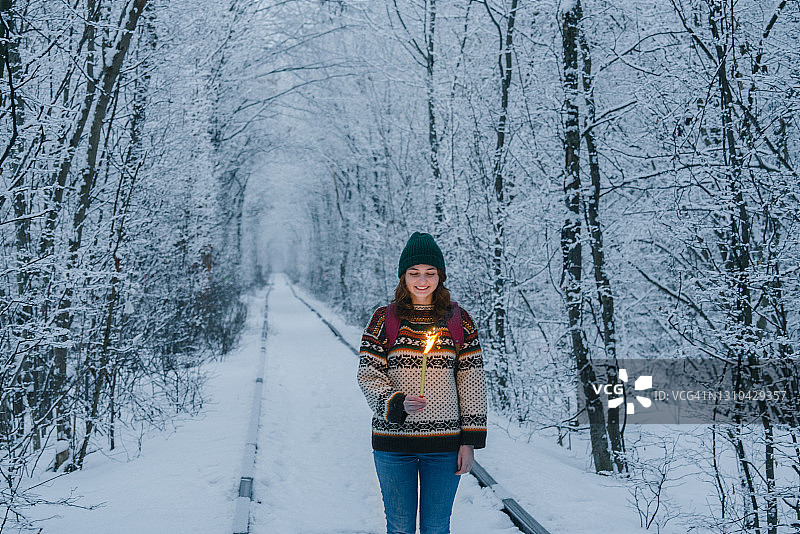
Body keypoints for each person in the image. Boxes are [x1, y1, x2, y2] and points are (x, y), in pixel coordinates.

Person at [357, 231, 487, 534]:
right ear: (403, 276)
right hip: (393, 443)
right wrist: (395, 403)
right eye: (414, 273)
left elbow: (472, 383)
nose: (422, 281)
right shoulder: (383, 320)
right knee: (400, 527)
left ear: (439, 276)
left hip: (444, 444)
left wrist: (469, 442)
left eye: (430, 273)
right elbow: (368, 373)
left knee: (436, 527)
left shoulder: (458, 321)